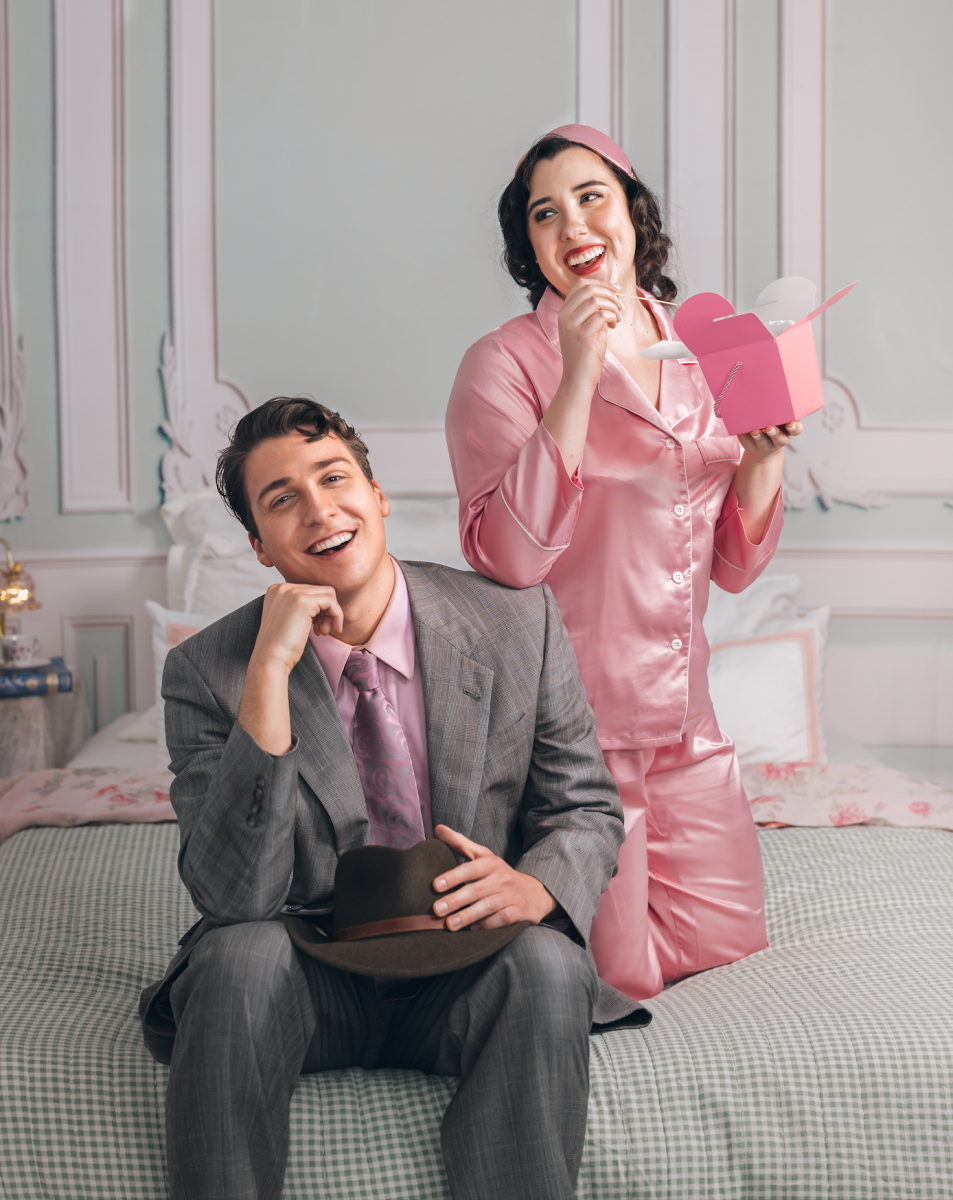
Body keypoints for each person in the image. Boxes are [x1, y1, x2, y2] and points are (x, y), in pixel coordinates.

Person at [138, 396, 634, 1200]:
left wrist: (535, 885)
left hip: (468, 969)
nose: (319, 510)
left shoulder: (517, 620)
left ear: (377, 495)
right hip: (307, 976)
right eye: (281, 499)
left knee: (545, 958)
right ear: (260, 546)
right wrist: (267, 677)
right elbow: (236, 896)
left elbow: (583, 807)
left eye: (334, 479)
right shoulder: (205, 671)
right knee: (235, 955)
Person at [445, 125, 801, 1004]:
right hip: (569, 742)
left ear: (632, 213)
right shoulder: (499, 364)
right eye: (543, 213)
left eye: (591, 195)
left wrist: (763, 458)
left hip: (687, 727)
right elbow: (510, 558)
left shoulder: (711, 346)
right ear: (526, 246)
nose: (572, 223)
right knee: (613, 979)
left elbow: (732, 569)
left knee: (730, 954)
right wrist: (574, 375)